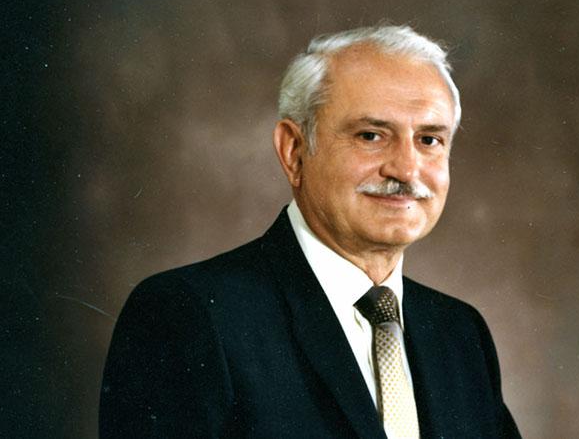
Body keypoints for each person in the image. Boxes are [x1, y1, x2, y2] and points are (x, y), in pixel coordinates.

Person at [99, 25, 520, 438]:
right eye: (371, 135)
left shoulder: (460, 333)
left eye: (429, 140)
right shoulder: (189, 315)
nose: (406, 169)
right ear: (294, 152)